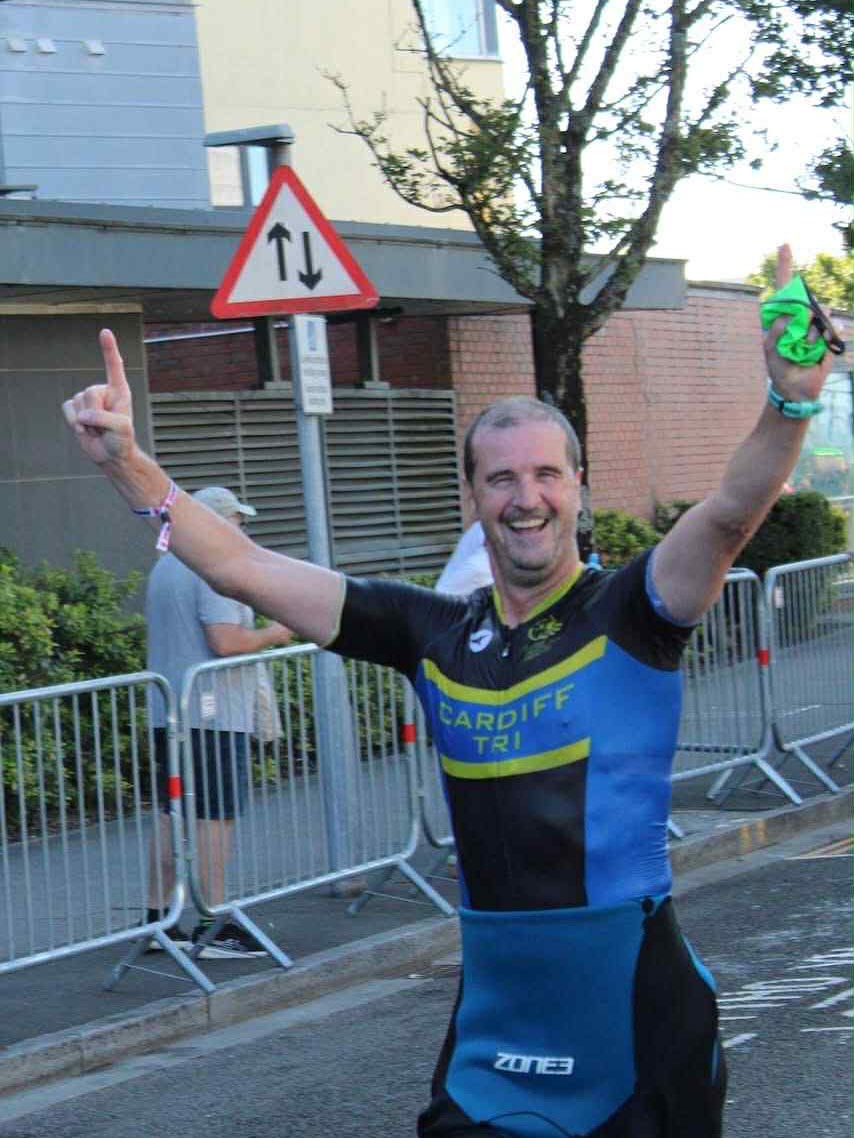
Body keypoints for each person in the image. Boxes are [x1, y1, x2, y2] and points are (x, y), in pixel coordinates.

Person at [62, 245, 837, 1136]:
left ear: (578, 489)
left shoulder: (634, 610)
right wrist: (128, 464)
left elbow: (731, 513)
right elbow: (242, 566)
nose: (526, 497)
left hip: (632, 1011)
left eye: (547, 474)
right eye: (502, 478)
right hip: (497, 1019)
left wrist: (791, 400)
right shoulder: (433, 634)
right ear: (472, 494)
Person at [144, 485, 292, 958]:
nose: (241, 530)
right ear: (212, 525)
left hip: (169, 711)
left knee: (172, 817)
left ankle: (157, 922)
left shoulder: (166, 565)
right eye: (234, 521)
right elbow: (225, 641)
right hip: (213, 713)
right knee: (215, 818)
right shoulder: (211, 571)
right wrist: (275, 631)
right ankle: (215, 923)